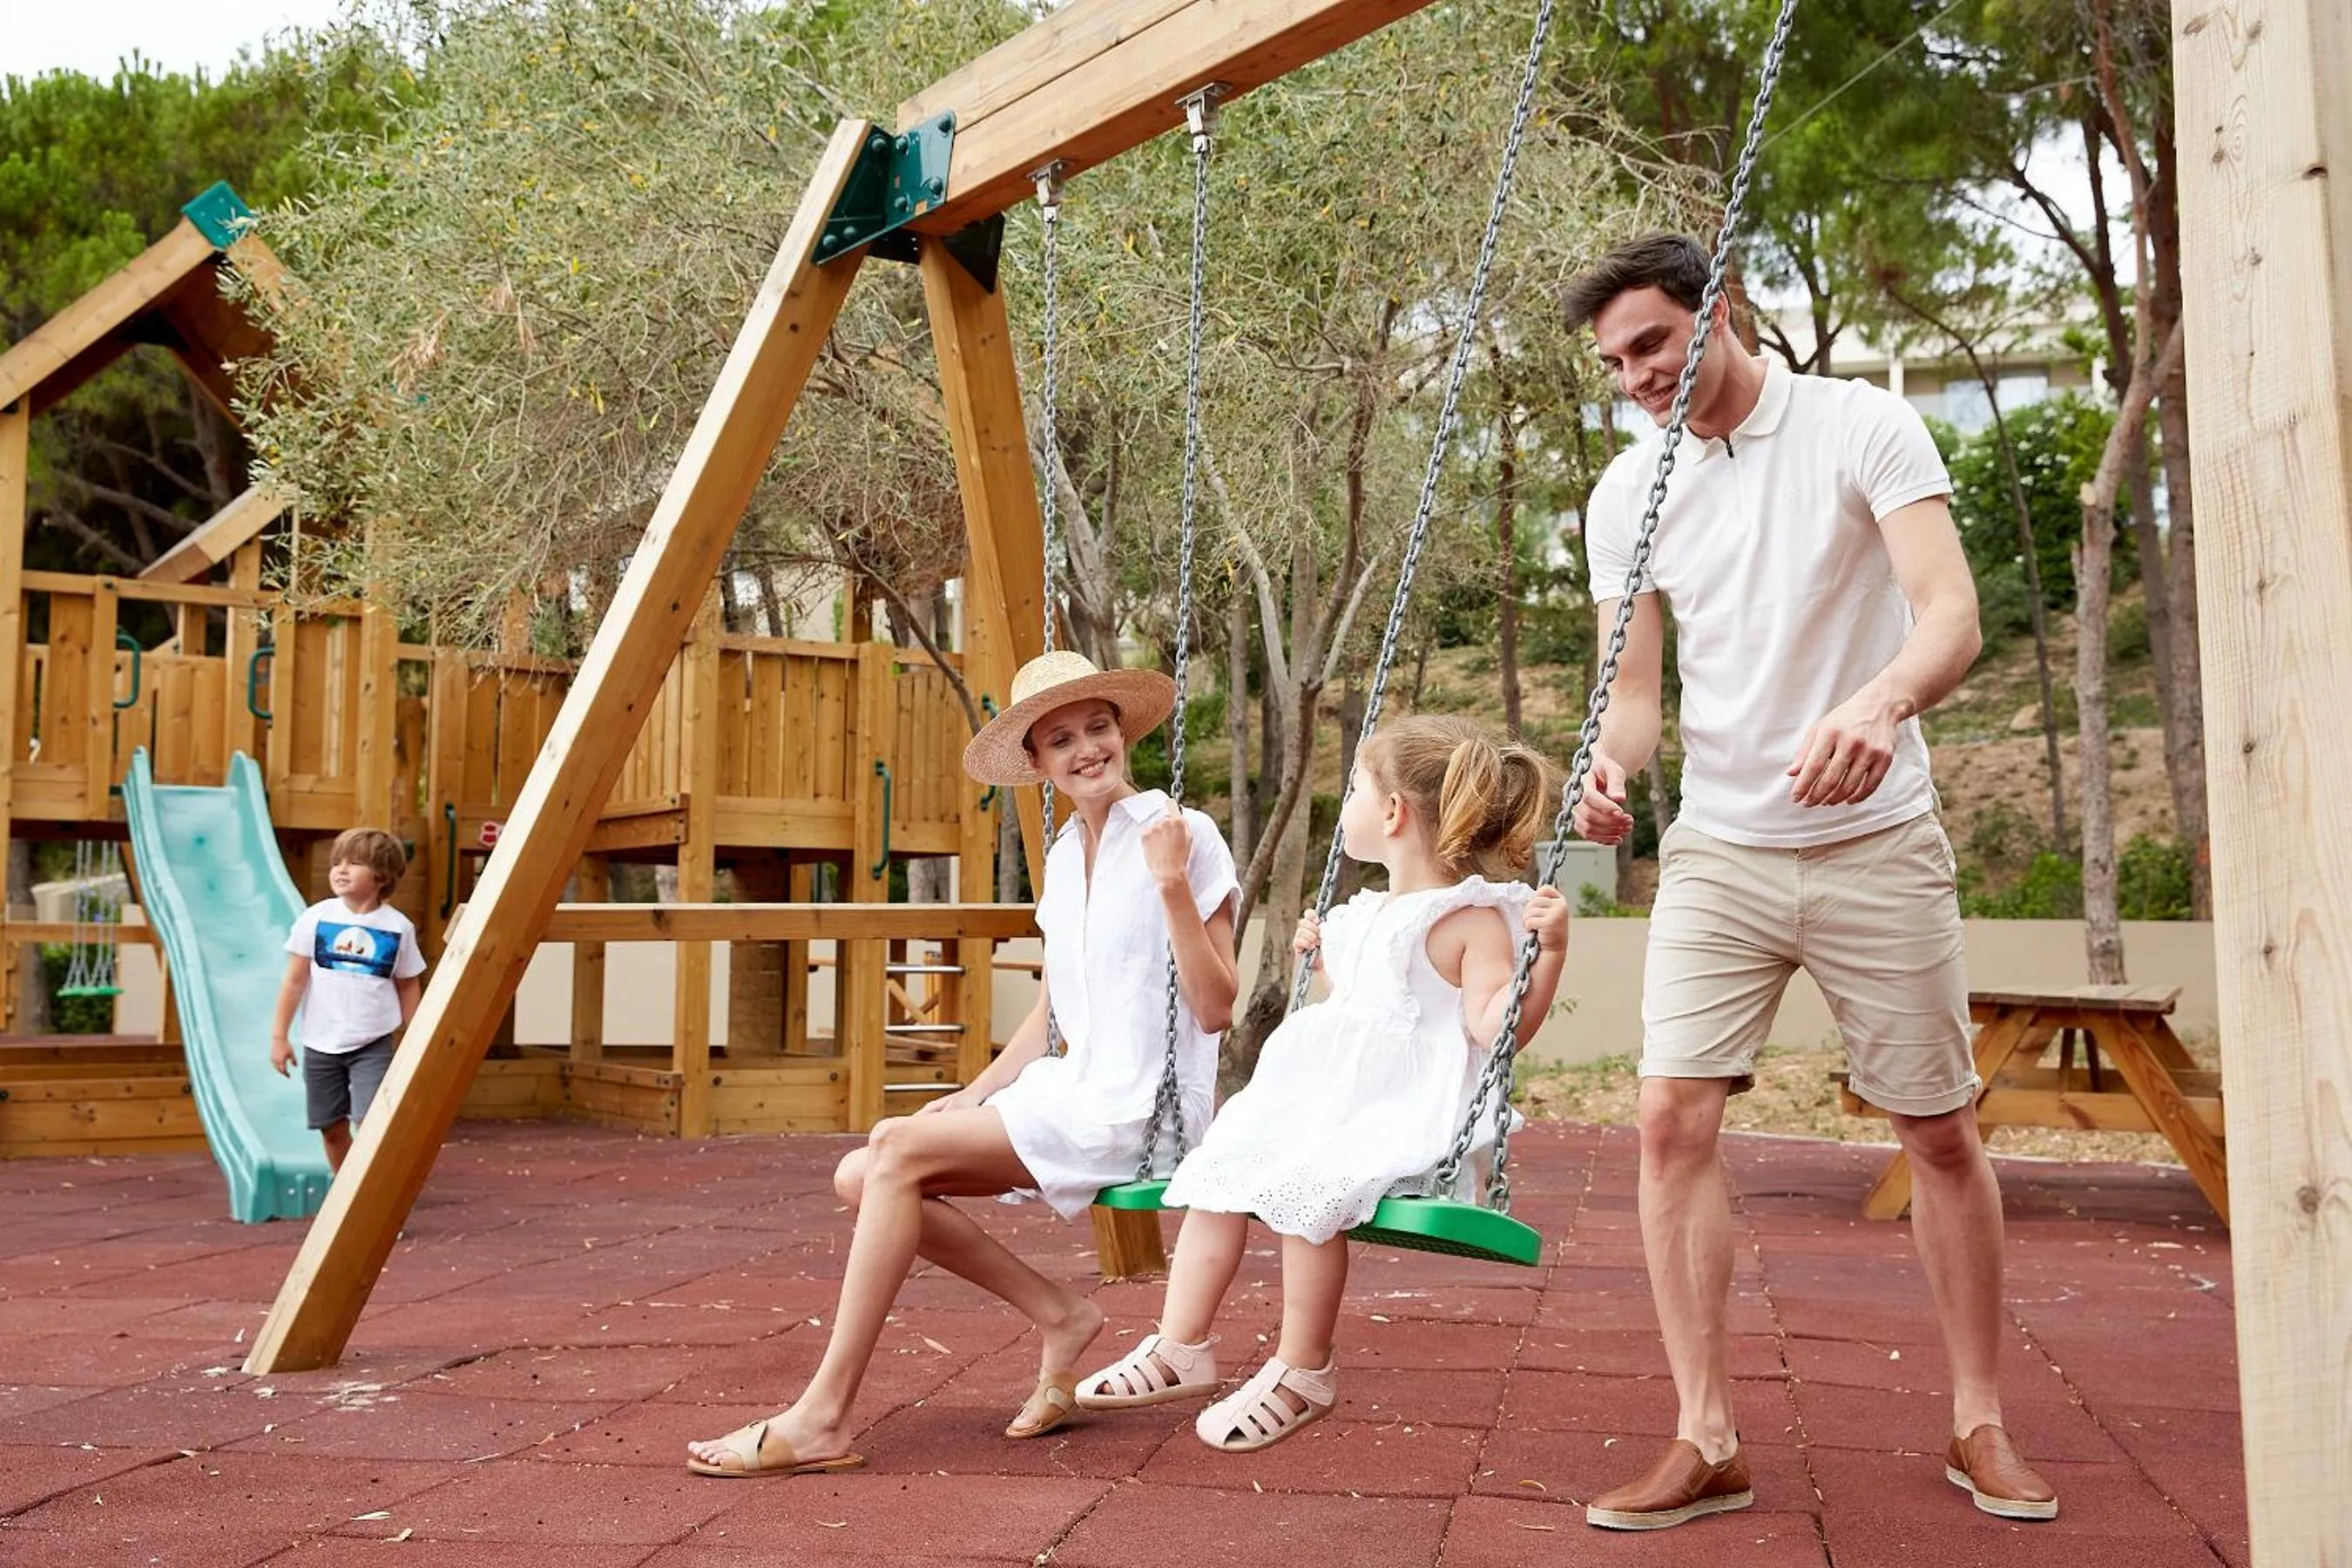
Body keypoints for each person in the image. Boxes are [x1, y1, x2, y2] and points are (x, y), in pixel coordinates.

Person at [1564, 233, 2056, 1530]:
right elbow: (1633, 695)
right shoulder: (1626, 494)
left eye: (1653, 343)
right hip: (1722, 849)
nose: (1636, 377)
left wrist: (1885, 702)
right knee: (1669, 1120)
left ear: (1717, 312)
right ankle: (1706, 1437)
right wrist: (1607, 775)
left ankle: (1978, 1420)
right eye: (1614, 361)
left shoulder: (1861, 426)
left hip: (1878, 835)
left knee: (1938, 1130)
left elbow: (1950, 612)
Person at [686, 649, 1240, 1478]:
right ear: (1036, 763)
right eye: (1062, 739)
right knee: (862, 1170)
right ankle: (1059, 1314)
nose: (1087, 748)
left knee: (893, 1155)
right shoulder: (1060, 860)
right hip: (1073, 1088)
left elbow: (1218, 1007)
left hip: (1143, 1107)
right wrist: (969, 1093)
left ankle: (824, 1416)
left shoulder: (1181, 837)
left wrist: (1170, 890)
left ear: (1122, 733)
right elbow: (1057, 1010)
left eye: (1098, 728)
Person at [1074, 716, 1570, 1453]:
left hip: (1397, 1111)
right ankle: (1182, 1344)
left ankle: (1304, 1369)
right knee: (1221, 1166)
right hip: (1327, 1098)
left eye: (1356, 790)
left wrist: (1548, 955)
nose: (1348, 805)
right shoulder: (1364, 911)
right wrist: (1331, 959)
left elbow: (1492, 1028)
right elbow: (1362, 1007)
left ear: (1394, 812)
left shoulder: (1472, 919)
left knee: (1311, 1190)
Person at [269, 828, 427, 1173]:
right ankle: (346, 1192)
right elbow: (294, 981)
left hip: (372, 1041)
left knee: (371, 1121)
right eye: (336, 862)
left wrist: (417, 1038)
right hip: (320, 1042)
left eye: (354, 863)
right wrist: (279, 1037)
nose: (341, 869)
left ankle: (373, 1195)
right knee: (331, 1126)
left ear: (382, 877)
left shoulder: (398, 928)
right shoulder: (317, 917)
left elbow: (407, 986)